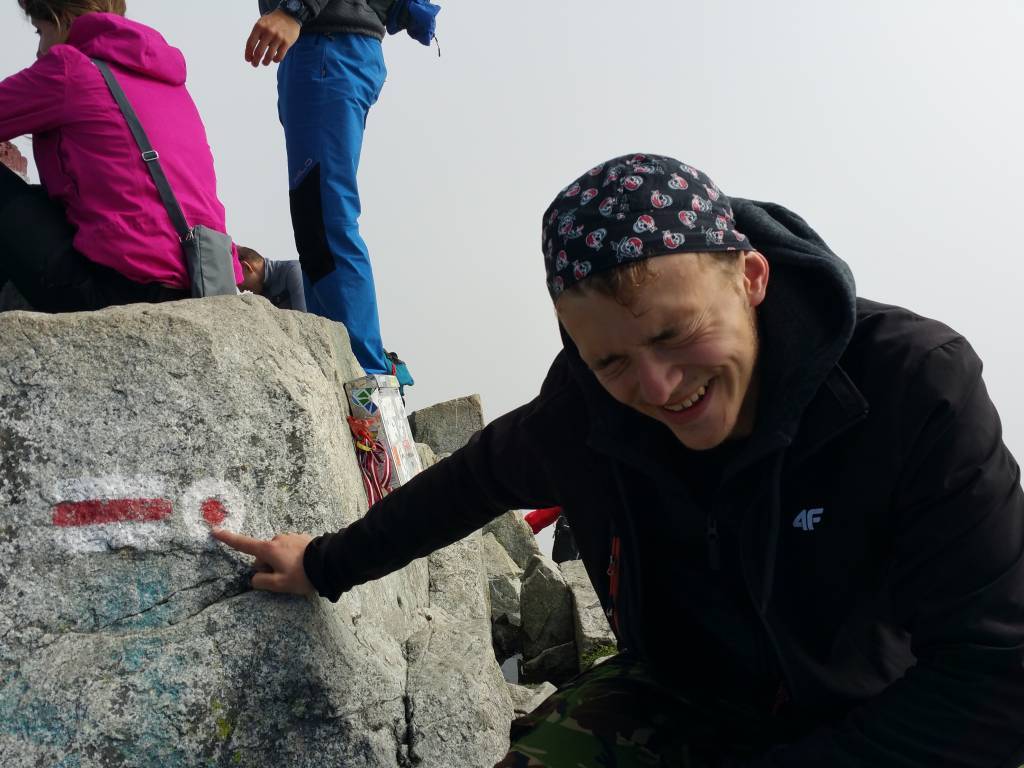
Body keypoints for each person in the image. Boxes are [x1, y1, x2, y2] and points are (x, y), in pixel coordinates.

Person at [213, 152, 1024, 767]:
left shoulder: (912, 388)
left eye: (676, 334)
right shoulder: (584, 414)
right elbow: (466, 485)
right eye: (612, 361)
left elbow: (997, 678)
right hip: (680, 692)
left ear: (751, 278)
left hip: (875, 714)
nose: (659, 387)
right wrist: (323, 564)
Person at [0, 0, 242, 313]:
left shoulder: (70, 68)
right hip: (202, 280)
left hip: (119, 289)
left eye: (39, 32)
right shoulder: (163, 78)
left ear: (61, 19)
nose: (39, 50)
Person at [244, 0, 396, 375]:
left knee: (325, 220)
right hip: (325, 46)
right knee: (316, 226)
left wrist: (294, 10)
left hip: (326, 44)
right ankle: (345, 374)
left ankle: (368, 381)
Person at [237, 246, 307, 311]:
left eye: (239, 282)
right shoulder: (260, 292)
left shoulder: (293, 271)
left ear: (246, 267)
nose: (241, 290)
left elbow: (303, 318)